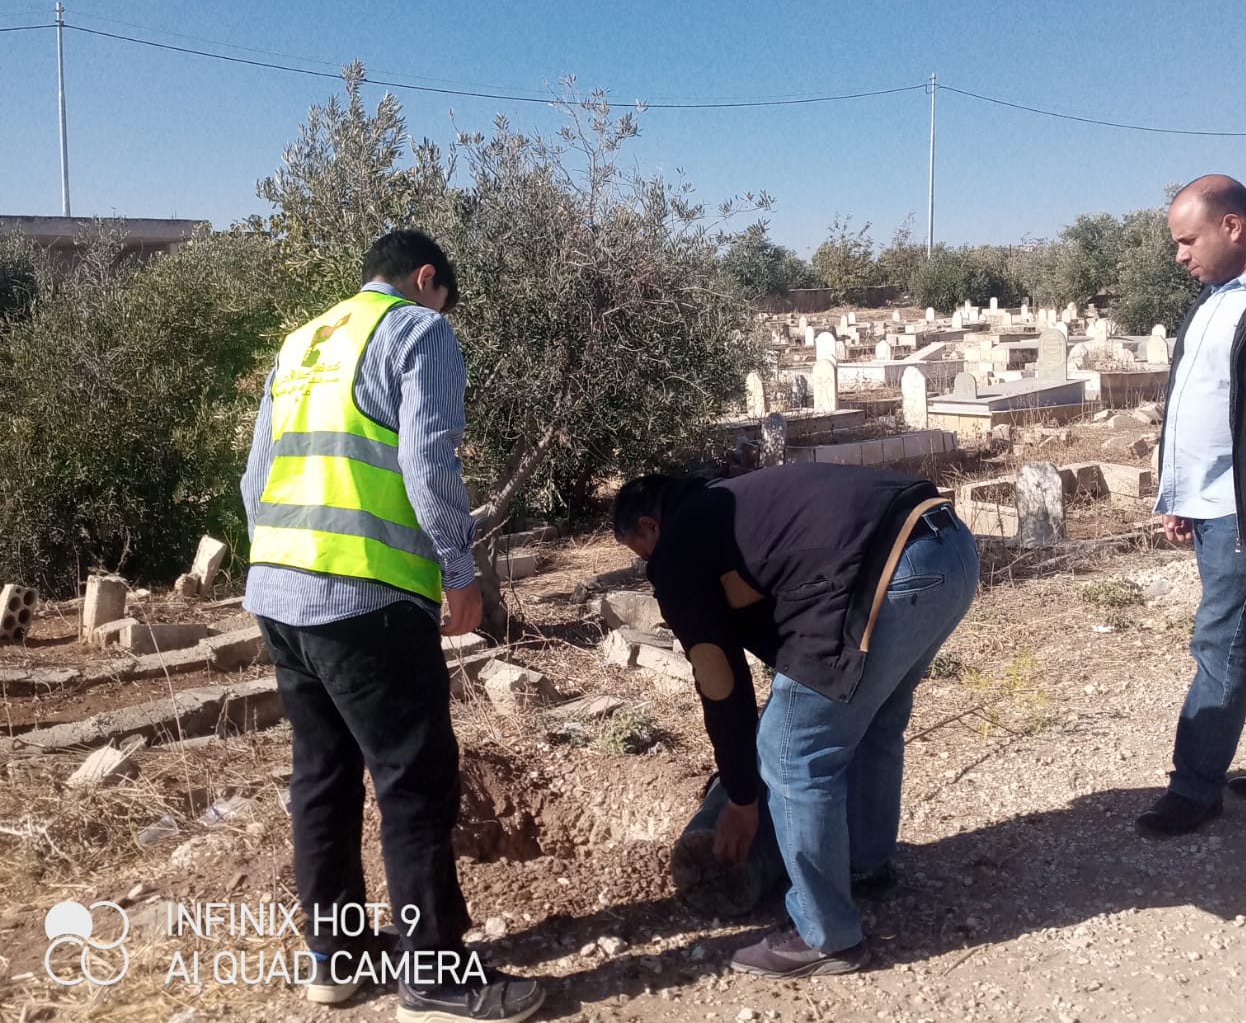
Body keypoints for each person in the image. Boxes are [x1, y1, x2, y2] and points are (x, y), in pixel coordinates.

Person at [242, 230, 544, 1022]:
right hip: (366, 597)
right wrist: (458, 569)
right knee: (414, 780)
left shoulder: (303, 340)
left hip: (280, 592)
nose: (445, 311)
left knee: (323, 777)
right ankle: (437, 979)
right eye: (444, 296)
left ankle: (334, 959)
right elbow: (427, 460)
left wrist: (280, 562)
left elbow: (256, 474)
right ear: (425, 279)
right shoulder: (419, 330)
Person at [613, 462, 978, 977]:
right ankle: (864, 867)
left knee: (792, 752)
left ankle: (824, 934)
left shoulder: (678, 547)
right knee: (875, 723)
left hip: (888, 571)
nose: (648, 567)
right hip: (950, 546)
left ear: (649, 528)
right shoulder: (728, 506)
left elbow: (722, 685)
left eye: (641, 554)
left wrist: (742, 799)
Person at [1138, 175, 1246, 836]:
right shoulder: (1213, 300)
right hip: (1210, 504)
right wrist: (1179, 492)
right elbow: (1199, 401)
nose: (1178, 256)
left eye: (1186, 240)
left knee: (1222, 645)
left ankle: (1194, 789)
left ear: (1233, 227)